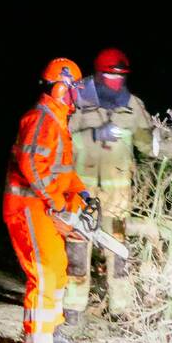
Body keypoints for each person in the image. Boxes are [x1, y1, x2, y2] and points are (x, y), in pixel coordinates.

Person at [4, 57, 97, 343]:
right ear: (60, 88)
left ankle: (50, 330)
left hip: (43, 207)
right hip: (28, 206)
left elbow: (62, 170)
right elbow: (32, 166)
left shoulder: (57, 120)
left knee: (57, 267)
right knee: (44, 270)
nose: (76, 95)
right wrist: (57, 201)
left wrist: (80, 190)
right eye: (73, 89)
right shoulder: (41, 119)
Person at [64, 48, 153, 324]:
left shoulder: (133, 105)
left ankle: (120, 309)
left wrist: (157, 137)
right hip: (81, 191)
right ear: (98, 74)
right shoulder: (77, 101)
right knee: (77, 249)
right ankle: (73, 310)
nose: (116, 82)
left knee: (118, 250)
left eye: (121, 76)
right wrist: (91, 135)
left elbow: (147, 145)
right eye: (110, 76)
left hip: (117, 195)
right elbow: (61, 139)